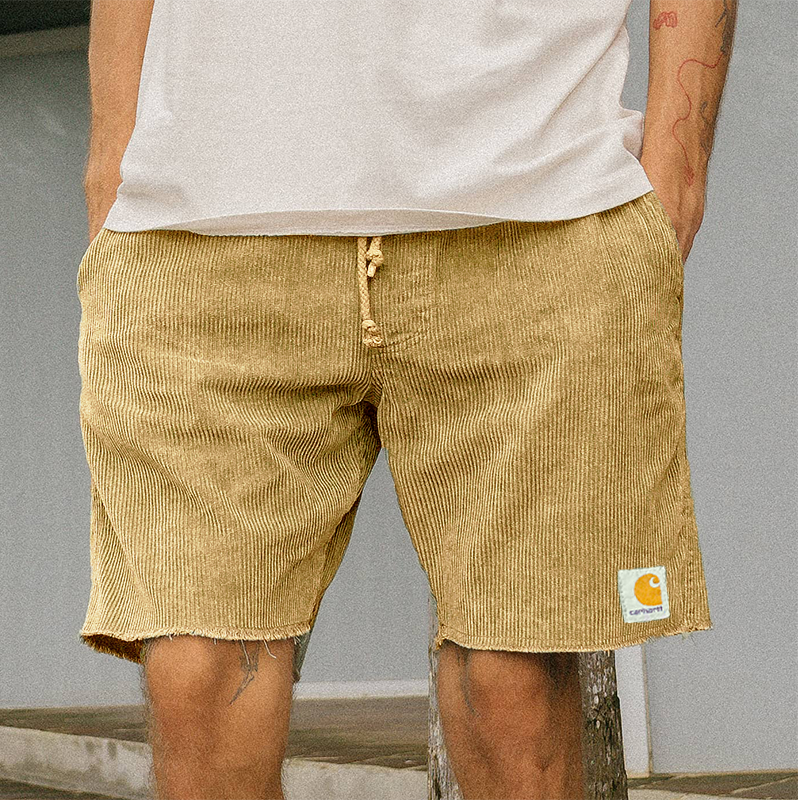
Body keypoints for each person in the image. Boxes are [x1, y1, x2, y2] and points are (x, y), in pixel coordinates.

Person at [77, 0, 733, 798]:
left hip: (538, 201)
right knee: (196, 680)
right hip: (202, 219)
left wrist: (678, 165)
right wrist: (112, 160)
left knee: (514, 689)